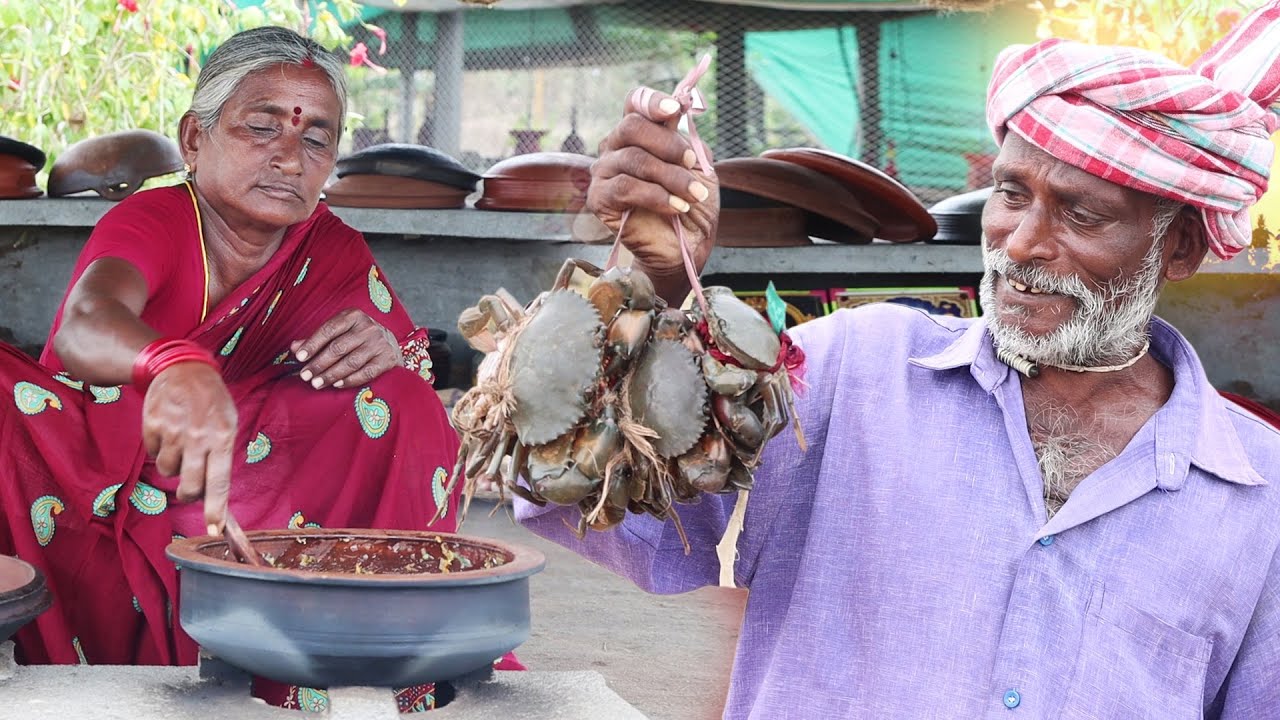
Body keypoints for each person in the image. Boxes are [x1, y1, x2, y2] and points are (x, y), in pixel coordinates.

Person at [517, 4, 1280, 718]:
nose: (1019, 242)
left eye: (1080, 214)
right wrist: (643, 289)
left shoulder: (1261, 501)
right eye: (1011, 195)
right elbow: (612, 518)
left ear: (1177, 247)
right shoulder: (849, 371)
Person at [0, 26, 462, 687]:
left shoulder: (329, 248)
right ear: (194, 138)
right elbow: (82, 325)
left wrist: (389, 348)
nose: (289, 158)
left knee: (398, 402)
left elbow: (407, 364)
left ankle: (372, 660)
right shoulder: (156, 219)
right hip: (98, 462)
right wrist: (172, 364)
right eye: (261, 128)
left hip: (243, 469)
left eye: (315, 139)